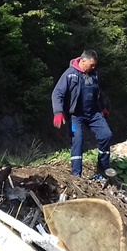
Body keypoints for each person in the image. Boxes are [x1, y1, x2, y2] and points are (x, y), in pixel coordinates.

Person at [51, 49, 112, 179]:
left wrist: (103, 107)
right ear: (83, 61)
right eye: (92, 65)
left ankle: (103, 169)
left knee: (106, 135)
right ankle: (76, 175)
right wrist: (58, 112)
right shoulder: (70, 74)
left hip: (93, 114)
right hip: (75, 115)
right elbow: (57, 93)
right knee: (77, 140)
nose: (94, 67)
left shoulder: (94, 74)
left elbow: (99, 93)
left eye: (95, 65)